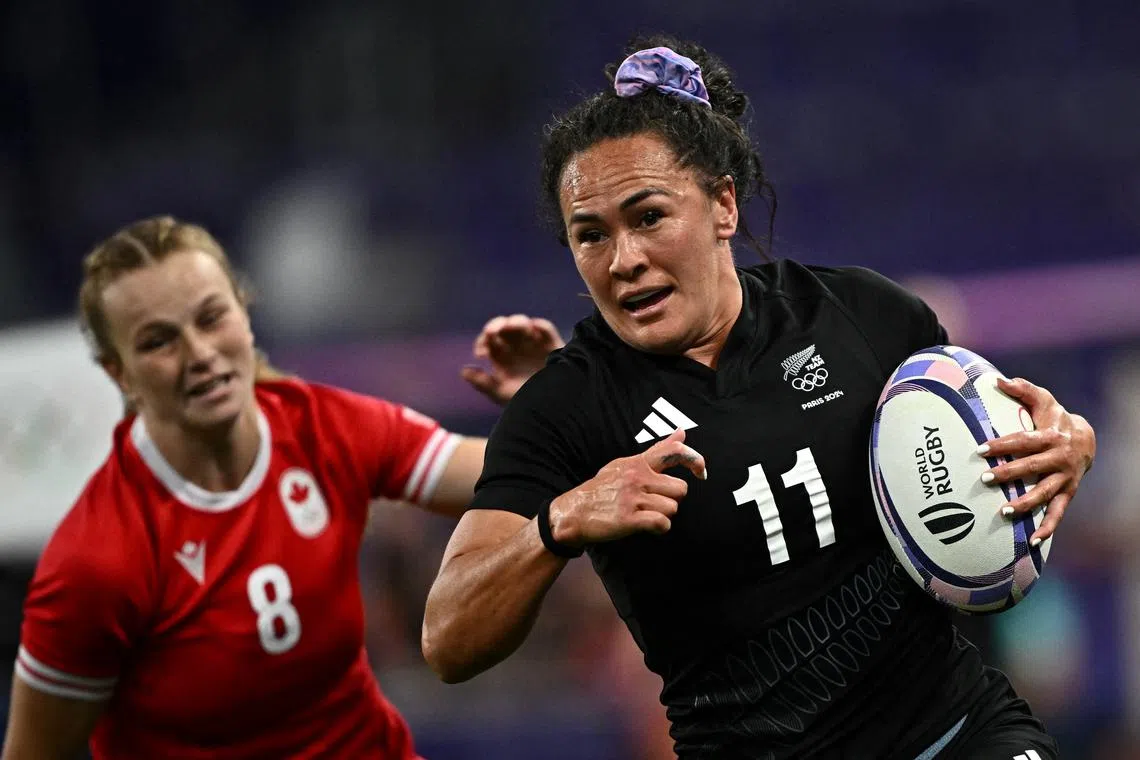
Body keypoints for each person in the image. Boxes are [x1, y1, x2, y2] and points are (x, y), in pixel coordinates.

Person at [421, 37, 1097, 759]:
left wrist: (1068, 441)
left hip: (960, 734)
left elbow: (1007, 443)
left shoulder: (866, 317)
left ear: (722, 204)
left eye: (648, 217)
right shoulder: (567, 408)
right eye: (590, 236)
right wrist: (558, 522)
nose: (623, 260)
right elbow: (447, 639)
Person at [0, 216, 562, 759]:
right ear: (119, 374)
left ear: (245, 315)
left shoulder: (323, 428)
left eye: (212, 317)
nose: (199, 353)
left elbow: (512, 473)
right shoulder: (96, 561)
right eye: (158, 342)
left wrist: (550, 399)